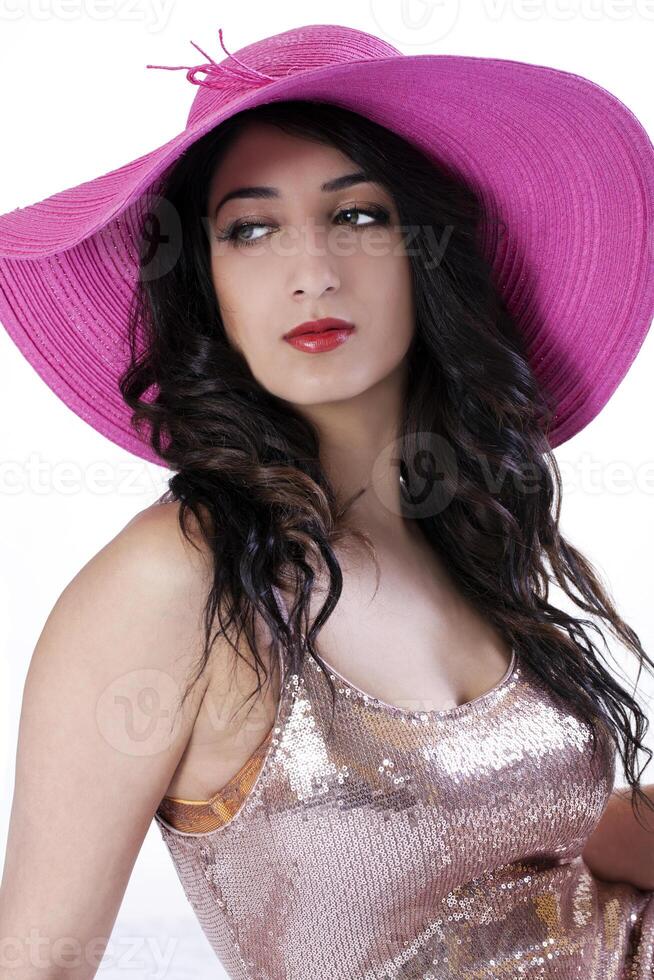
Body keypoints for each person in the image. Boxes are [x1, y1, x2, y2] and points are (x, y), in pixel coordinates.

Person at [0, 21, 653, 980]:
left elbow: (530, 844)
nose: (311, 271)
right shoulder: (176, 579)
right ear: (205, 283)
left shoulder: (480, 544)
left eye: (359, 216)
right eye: (250, 229)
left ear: (428, 254)